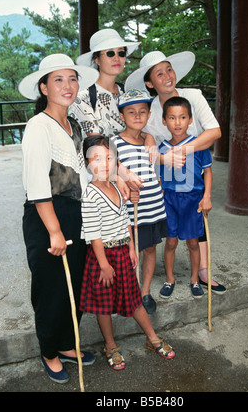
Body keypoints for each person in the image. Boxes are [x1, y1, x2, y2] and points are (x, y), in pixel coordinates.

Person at [19, 53, 99, 384]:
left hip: (76, 212)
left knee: (76, 283)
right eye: (58, 80)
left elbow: (84, 173)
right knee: (52, 287)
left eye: (72, 79)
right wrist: (54, 231)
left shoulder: (74, 124)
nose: (68, 86)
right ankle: (49, 351)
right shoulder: (38, 126)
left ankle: (68, 343)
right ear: (44, 87)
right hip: (48, 215)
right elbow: (37, 184)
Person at [125, 50, 226, 296]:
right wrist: (151, 139)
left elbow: (214, 132)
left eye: (169, 69)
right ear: (150, 82)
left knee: (197, 226)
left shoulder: (193, 95)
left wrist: (183, 149)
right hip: (169, 176)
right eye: (159, 73)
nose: (168, 76)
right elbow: (143, 134)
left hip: (195, 163)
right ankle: (171, 277)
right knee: (172, 232)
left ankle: (203, 272)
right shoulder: (150, 110)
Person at [79, 135, 175, 370]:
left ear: (116, 161)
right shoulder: (90, 195)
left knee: (134, 300)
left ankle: (152, 338)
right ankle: (110, 345)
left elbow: (125, 220)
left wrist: (132, 247)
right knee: (103, 304)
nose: (103, 163)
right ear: (86, 163)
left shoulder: (115, 185)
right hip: (103, 257)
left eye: (109, 158)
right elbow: (94, 234)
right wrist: (103, 264)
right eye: (97, 158)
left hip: (122, 252)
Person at [110, 89, 167, 314]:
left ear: (148, 115)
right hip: (130, 209)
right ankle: (129, 290)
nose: (137, 116)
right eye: (131, 112)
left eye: (142, 111)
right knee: (130, 252)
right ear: (122, 116)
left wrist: (151, 138)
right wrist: (124, 188)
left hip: (152, 206)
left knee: (150, 249)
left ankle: (145, 291)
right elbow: (107, 171)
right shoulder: (113, 142)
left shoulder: (151, 141)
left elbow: (158, 169)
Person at [158, 96, 213, 298]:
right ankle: (170, 278)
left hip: (193, 200)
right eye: (172, 118)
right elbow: (161, 179)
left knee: (192, 243)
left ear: (190, 119)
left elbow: (207, 172)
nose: (177, 122)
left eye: (182, 117)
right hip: (170, 200)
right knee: (171, 242)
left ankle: (194, 279)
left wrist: (206, 196)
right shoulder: (161, 149)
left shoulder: (199, 145)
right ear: (164, 121)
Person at [69, 28, 140, 137]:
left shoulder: (127, 94)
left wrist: (146, 136)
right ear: (96, 60)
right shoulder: (83, 97)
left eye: (121, 53)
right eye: (110, 53)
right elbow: (95, 141)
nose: (117, 58)